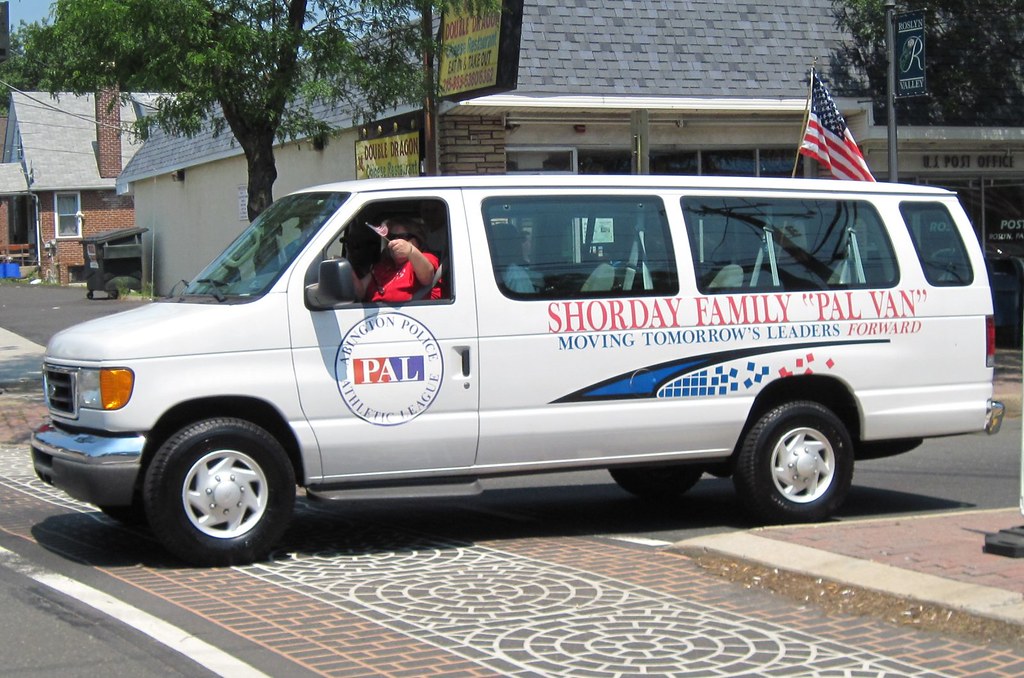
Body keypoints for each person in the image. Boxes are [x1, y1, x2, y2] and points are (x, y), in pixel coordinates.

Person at [355, 216, 441, 302]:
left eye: (403, 237)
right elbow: (360, 291)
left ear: (417, 239)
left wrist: (410, 250)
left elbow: (427, 277)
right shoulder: (384, 266)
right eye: (392, 237)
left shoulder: (425, 258)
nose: (396, 241)